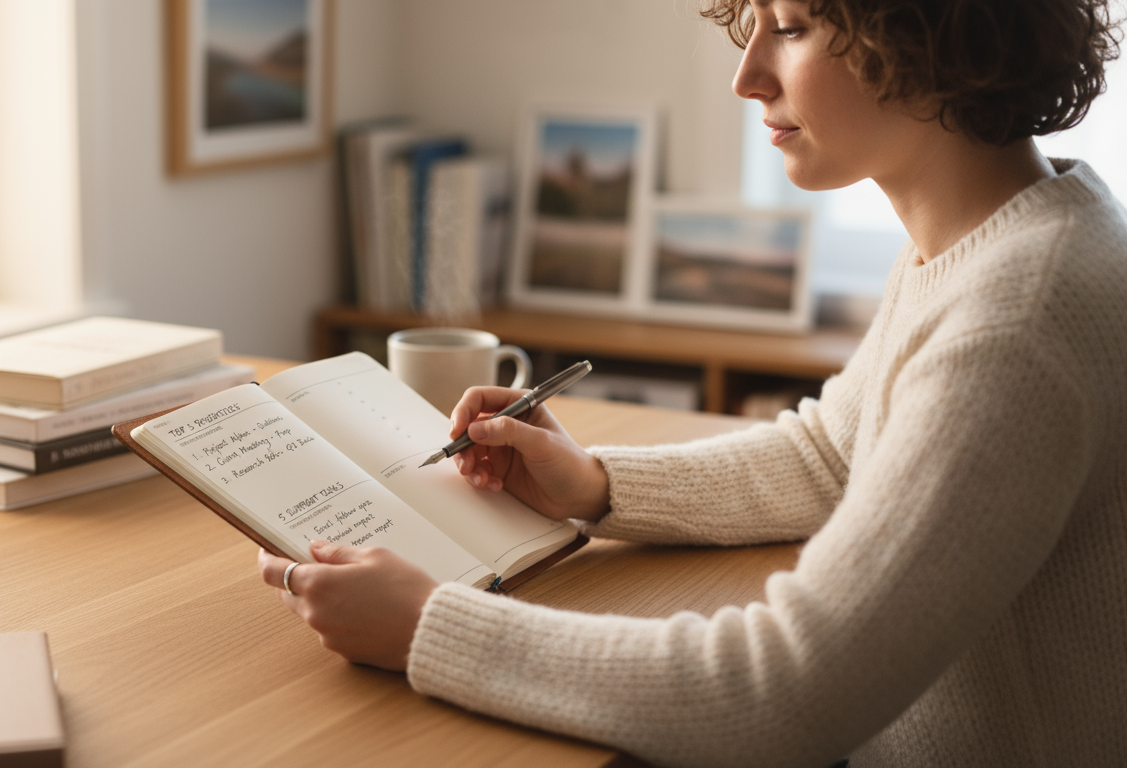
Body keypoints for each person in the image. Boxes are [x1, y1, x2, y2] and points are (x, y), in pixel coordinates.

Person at [259, 0, 1127, 764]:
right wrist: (596, 484)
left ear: (939, 34)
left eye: (788, 28)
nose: (747, 77)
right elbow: (834, 456)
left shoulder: (1015, 321)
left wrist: (428, 627)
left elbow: (787, 695)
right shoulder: (1001, 237)